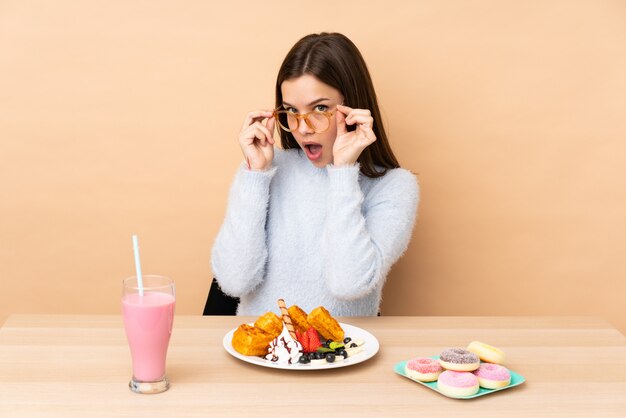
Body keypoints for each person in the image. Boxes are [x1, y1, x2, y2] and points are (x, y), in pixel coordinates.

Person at [211, 32, 419, 316]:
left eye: (320, 108)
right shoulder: (264, 169)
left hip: (341, 356)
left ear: (352, 107)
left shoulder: (395, 186)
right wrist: (254, 177)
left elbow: (349, 285)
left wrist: (343, 172)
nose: (303, 127)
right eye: (291, 111)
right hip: (261, 355)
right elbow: (234, 281)